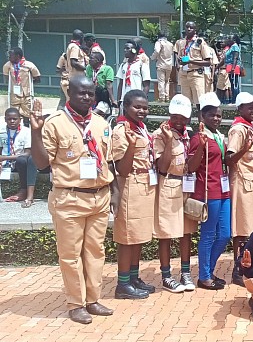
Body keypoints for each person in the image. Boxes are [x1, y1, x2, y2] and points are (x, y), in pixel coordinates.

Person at [29, 76, 116, 324]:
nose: (87, 98)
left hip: (98, 196)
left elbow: (108, 161)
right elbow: (42, 163)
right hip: (69, 197)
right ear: (69, 92)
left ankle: (93, 299)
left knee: (95, 252)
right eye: (81, 93)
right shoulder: (55, 123)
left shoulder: (100, 123)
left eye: (90, 93)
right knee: (70, 254)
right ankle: (76, 303)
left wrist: (114, 192)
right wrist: (36, 132)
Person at [112, 89, 157, 300]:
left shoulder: (140, 128)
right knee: (127, 237)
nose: (141, 111)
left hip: (143, 184)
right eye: (136, 107)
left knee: (137, 235)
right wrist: (130, 146)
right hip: (130, 183)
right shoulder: (122, 130)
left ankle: (133, 277)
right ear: (126, 106)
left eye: (145, 108)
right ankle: (122, 284)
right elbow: (121, 168)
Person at [152, 95, 196, 294]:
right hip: (168, 184)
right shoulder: (160, 135)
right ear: (170, 113)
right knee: (167, 234)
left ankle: (185, 272)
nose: (179, 121)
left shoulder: (188, 134)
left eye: (184, 117)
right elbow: (162, 166)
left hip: (185, 186)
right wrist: (169, 141)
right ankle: (166, 275)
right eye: (176, 116)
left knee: (186, 232)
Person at [187, 94, 231, 290]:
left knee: (225, 234)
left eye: (219, 115)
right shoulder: (198, 138)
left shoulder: (219, 136)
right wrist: (201, 146)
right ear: (202, 116)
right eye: (211, 115)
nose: (216, 118)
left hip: (223, 190)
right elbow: (191, 167)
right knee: (208, 235)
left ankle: (208, 270)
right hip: (208, 190)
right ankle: (204, 277)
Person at [227, 92, 253, 285]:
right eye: (249, 107)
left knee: (247, 227)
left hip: (250, 181)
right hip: (241, 181)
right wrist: (244, 149)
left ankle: (244, 266)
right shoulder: (238, 130)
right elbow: (229, 160)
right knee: (241, 228)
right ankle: (237, 270)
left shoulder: (249, 127)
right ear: (240, 109)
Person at [0, 107, 43, 207]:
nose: (12, 121)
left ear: (20, 119)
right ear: (5, 119)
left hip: (18, 162)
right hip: (5, 163)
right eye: (9, 119)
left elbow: (27, 153)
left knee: (23, 160)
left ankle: (26, 193)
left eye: (15, 119)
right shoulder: (1, 132)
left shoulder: (26, 131)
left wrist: (5, 158)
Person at [173, 21, 211, 105]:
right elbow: (178, 56)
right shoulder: (181, 42)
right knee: (185, 104)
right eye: (187, 27)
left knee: (199, 103)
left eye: (191, 27)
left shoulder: (200, 42)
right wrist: (179, 62)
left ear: (195, 30)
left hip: (196, 75)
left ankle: (201, 118)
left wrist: (190, 61)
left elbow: (208, 62)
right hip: (184, 75)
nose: (189, 29)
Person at [3, 47, 40, 120]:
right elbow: (6, 77)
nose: (9, 57)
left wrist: (28, 85)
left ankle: (26, 127)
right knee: (14, 113)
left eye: (11, 55)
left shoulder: (29, 65)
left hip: (26, 94)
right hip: (14, 94)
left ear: (18, 56)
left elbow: (37, 78)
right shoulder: (8, 65)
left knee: (27, 113)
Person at [117, 40, 151, 106]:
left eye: (127, 48)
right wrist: (119, 100)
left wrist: (142, 100)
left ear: (134, 50)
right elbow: (121, 84)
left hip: (136, 100)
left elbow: (146, 85)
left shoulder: (142, 65)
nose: (125, 50)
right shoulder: (123, 65)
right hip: (124, 100)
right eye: (124, 48)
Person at [151, 32, 174, 102]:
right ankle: (167, 96)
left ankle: (162, 97)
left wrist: (152, 58)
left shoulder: (159, 42)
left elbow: (157, 51)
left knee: (161, 81)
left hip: (161, 64)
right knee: (167, 81)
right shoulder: (170, 44)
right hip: (169, 65)